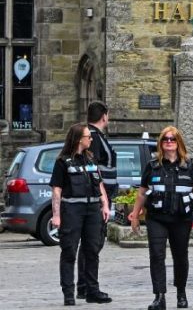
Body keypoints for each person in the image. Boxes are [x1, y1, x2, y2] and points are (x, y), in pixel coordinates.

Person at [129, 126, 193, 310]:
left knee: (180, 256)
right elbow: (142, 193)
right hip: (157, 218)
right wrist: (135, 215)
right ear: (160, 143)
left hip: (181, 219)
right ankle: (159, 297)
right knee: (156, 255)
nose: (169, 142)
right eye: (165, 139)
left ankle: (181, 293)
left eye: (172, 139)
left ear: (178, 142)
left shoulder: (188, 165)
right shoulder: (152, 166)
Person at [50, 123, 112, 306]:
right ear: (78, 139)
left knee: (92, 251)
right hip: (72, 210)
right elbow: (56, 190)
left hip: (92, 210)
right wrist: (56, 215)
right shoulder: (62, 162)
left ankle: (92, 290)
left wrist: (105, 204)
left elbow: (99, 183)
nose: (91, 139)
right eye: (88, 137)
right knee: (69, 251)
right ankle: (68, 293)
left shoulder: (90, 159)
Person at [76, 101, 117, 300]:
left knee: (91, 244)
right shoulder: (93, 139)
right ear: (104, 116)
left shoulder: (96, 137)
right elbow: (94, 170)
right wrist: (103, 199)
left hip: (101, 197)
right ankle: (86, 286)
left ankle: (85, 285)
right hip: (98, 199)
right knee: (92, 244)